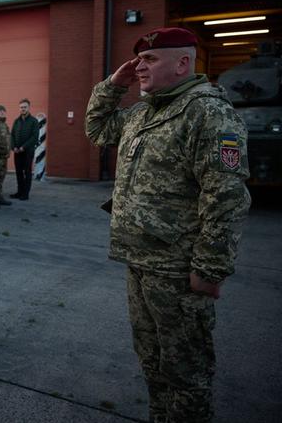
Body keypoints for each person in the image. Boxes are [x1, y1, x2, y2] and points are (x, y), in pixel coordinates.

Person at [85, 27, 251, 423]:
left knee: (185, 372)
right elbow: (98, 130)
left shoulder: (208, 112)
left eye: (150, 60)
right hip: (141, 259)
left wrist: (210, 269)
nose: (140, 67)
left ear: (182, 63)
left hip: (178, 269)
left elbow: (226, 195)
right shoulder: (146, 111)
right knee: (153, 361)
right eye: (138, 60)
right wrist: (112, 85)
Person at [10, 98, 39, 200]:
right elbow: (12, 135)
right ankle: (19, 192)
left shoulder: (34, 121)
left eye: (25, 107)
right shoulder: (16, 121)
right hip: (17, 152)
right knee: (18, 172)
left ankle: (25, 194)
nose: (23, 109)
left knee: (27, 172)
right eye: (21, 107)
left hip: (28, 152)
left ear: (29, 108)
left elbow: (34, 137)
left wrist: (23, 147)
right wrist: (13, 147)